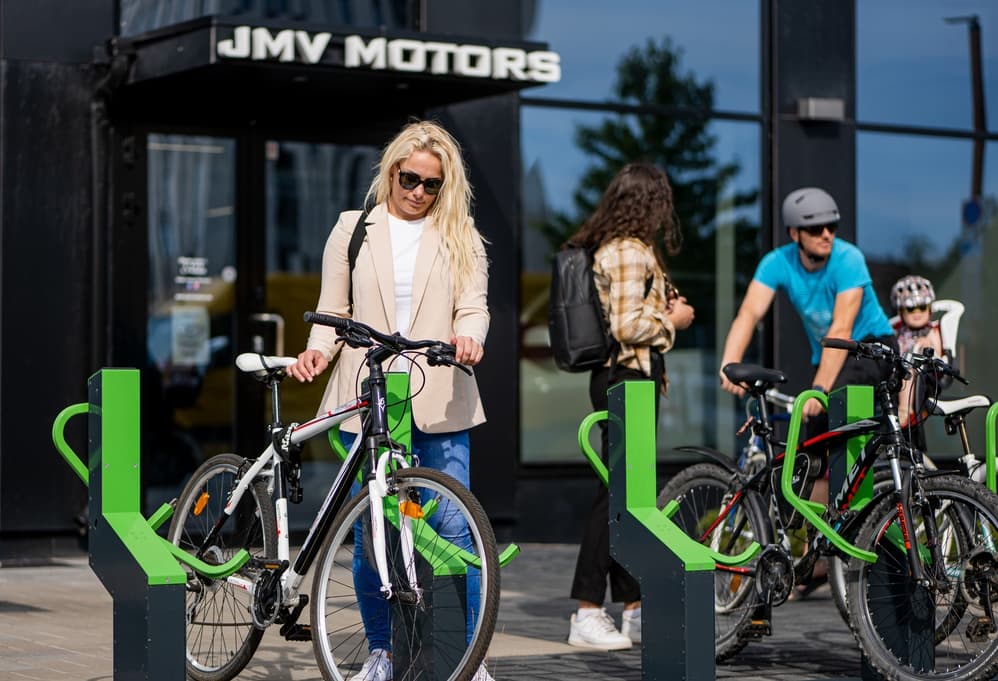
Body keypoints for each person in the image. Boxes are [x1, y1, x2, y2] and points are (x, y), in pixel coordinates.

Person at [289, 120, 491, 681]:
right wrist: (317, 353)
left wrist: (471, 336)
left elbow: (473, 305)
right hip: (372, 396)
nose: (419, 193)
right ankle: (381, 650)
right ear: (392, 172)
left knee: (456, 530)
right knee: (373, 531)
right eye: (410, 179)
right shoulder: (354, 229)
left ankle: (466, 659)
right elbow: (333, 310)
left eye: (432, 185)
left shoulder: (461, 233)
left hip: (441, 393)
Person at [718, 186, 896, 598]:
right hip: (829, 362)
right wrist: (730, 363)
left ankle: (853, 538)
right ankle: (820, 555)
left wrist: (818, 389)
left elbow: (842, 329)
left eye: (831, 226)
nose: (826, 234)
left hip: (870, 350)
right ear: (795, 233)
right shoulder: (777, 263)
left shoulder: (849, 259)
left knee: (835, 425)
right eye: (815, 228)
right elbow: (749, 312)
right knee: (802, 455)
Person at [562, 162, 695, 650]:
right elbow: (626, 326)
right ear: (649, 204)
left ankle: (634, 607)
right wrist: (673, 320)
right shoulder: (627, 252)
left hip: (631, 380)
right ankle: (587, 610)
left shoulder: (629, 250)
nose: (666, 212)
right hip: (625, 377)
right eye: (661, 202)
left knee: (630, 494)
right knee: (616, 494)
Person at [890, 274, 944, 429]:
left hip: (925, 376)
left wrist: (927, 345)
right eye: (911, 308)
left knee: (909, 365)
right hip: (899, 375)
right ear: (901, 312)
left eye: (922, 307)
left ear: (930, 309)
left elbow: (938, 355)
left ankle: (905, 408)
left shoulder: (931, 331)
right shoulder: (898, 333)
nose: (917, 312)